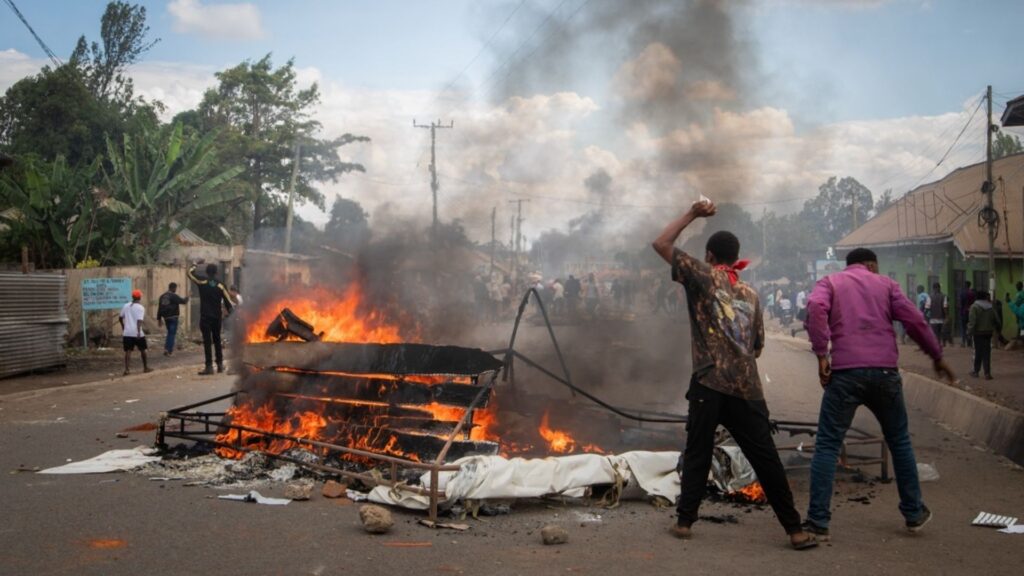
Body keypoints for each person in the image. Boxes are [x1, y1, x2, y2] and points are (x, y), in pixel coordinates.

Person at [651, 199, 817, 550]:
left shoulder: (701, 275)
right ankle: (795, 530)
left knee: (698, 450)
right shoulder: (751, 294)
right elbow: (757, 346)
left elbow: (661, 244)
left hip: (709, 382)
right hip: (747, 386)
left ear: (710, 255)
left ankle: (684, 523)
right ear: (735, 256)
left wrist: (693, 214)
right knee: (765, 457)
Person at [802, 248, 954, 541]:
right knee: (899, 441)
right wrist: (936, 355)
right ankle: (913, 513)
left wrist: (822, 354)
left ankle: (818, 521)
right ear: (871, 264)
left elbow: (815, 308)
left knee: (828, 444)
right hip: (885, 373)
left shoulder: (830, 282)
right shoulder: (886, 285)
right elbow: (915, 321)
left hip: (845, 374)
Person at [187, 260, 234, 375]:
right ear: (217, 272)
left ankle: (209, 367)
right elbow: (228, 302)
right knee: (217, 340)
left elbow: (189, 273)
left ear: (207, 272)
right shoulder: (220, 285)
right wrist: (233, 315)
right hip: (216, 317)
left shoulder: (202, 281)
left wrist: (194, 265)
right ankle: (220, 365)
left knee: (207, 341)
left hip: (205, 316)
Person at [119, 289, 152, 376]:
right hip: (137, 332)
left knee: (128, 351)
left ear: (132, 297)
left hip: (127, 332)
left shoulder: (126, 306)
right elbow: (139, 321)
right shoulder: (140, 308)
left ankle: (127, 370)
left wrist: (123, 327)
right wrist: (138, 332)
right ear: (140, 297)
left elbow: (120, 318)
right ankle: (145, 368)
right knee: (143, 350)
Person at [968, 290, 997, 379]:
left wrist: (969, 332)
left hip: (978, 333)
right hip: (988, 333)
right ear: (985, 297)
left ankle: (976, 371)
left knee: (978, 352)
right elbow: (996, 319)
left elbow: (972, 321)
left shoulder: (974, 307)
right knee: (987, 353)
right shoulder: (990, 307)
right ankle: (987, 373)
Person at [156, 282, 189, 356]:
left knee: (169, 333)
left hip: (166, 318)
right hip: (173, 317)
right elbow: (184, 301)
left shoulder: (162, 296)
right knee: (172, 334)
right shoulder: (173, 296)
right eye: (175, 288)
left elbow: (160, 308)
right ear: (173, 288)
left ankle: (166, 348)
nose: (175, 290)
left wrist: (159, 319)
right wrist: (188, 296)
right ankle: (168, 350)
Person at [928, 282, 947, 347]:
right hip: (941, 318)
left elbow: (927, 307)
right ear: (939, 288)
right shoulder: (944, 296)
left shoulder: (930, 296)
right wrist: (946, 316)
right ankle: (938, 345)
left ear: (933, 288)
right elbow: (945, 307)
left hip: (932, 318)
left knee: (934, 333)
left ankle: (936, 346)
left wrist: (927, 316)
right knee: (939, 333)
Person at [958, 281, 976, 347]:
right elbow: (974, 303)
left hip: (963, 312)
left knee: (963, 327)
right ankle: (969, 342)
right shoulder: (972, 293)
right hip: (971, 312)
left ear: (965, 285)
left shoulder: (962, 293)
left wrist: (960, 310)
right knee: (970, 327)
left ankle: (963, 342)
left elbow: (960, 304)